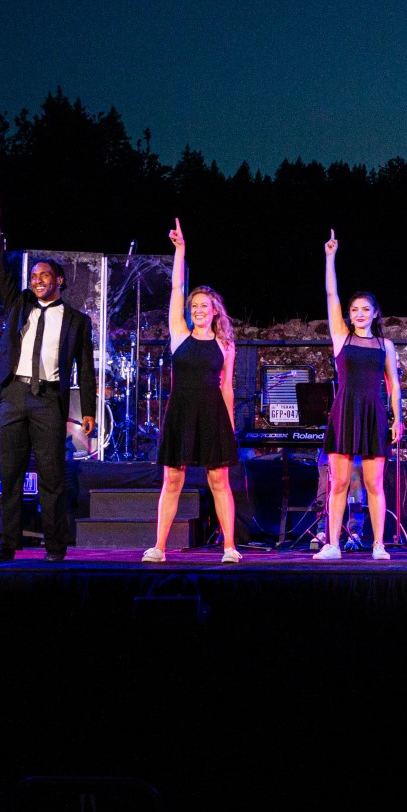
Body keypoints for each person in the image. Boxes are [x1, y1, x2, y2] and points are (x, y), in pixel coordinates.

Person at [0, 194, 97, 562]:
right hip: (14, 394)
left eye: (44, 275)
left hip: (49, 400)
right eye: (34, 276)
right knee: (10, 474)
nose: (38, 280)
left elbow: (86, 367)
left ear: (59, 280)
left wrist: (89, 409)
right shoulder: (20, 305)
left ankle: (54, 547)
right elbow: (1, 273)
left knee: (52, 477)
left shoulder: (77, 320)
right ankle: (7, 544)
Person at [142, 219, 241, 564]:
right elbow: (176, 288)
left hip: (213, 413)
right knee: (173, 478)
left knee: (218, 480)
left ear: (214, 311)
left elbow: (226, 388)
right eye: (194, 306)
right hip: (182, 410)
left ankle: (230, 547)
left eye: (204, 306)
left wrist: (229, 425)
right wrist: (180, 250)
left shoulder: (225, 344)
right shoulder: (179, 333)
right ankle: (159, 546)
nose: (198, 310)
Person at [313, 231, 403, 560]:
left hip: (373, 413)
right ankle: (332, 544)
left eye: (365, 309)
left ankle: (378, 544)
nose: (359, 313)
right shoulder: (341, 338)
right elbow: (331, 294)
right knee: (337, 483)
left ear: (376, 313)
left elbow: (393, 385)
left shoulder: (385, 346)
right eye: (355, 309)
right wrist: (330, 257)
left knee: (373, 483)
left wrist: (398, 419)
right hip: (345, 411)